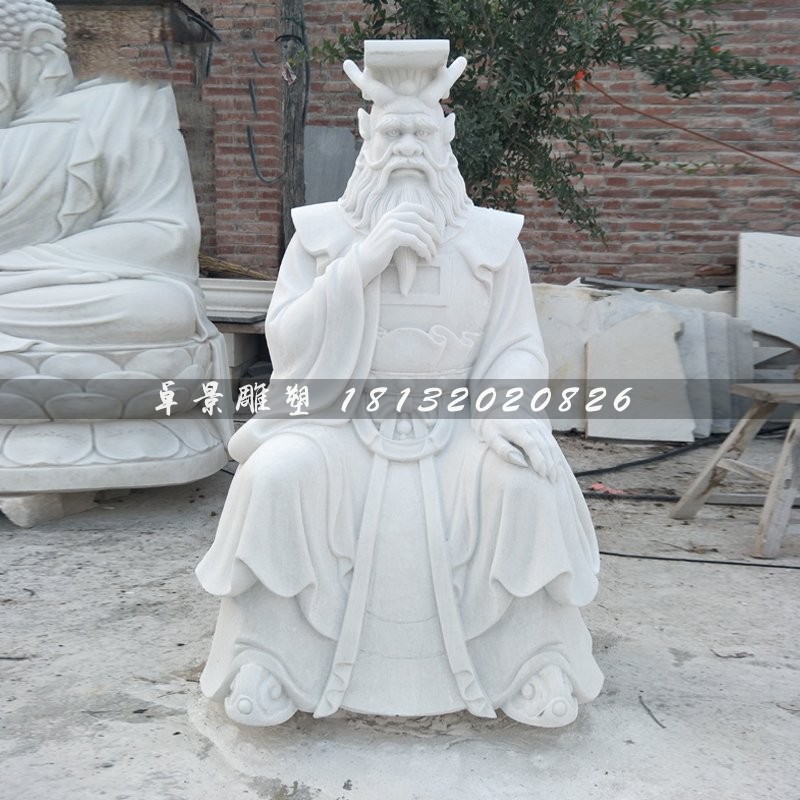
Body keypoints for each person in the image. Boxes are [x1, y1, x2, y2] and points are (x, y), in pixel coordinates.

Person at [197, 40, 603, 727]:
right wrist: (363, 260)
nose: (407, 147)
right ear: (367, 139)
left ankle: (530, 663)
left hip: (459, 427)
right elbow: (286, 342)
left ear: (446, 139)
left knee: (527, 483)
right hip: (339, 423)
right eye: (392, 134)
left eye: (421, 133)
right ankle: (270, 659)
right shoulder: (319, 237)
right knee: (273, 477)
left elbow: (514, 347)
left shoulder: (492, 243)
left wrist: (508, 412)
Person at [0, 0, 230, 493]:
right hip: (26, 299)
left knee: (160, 312)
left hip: (73, 296)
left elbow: (165, 234)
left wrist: (20, 266)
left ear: (34, 49)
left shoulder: (125, 105)